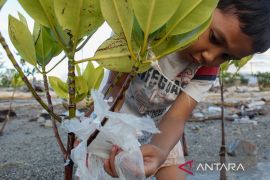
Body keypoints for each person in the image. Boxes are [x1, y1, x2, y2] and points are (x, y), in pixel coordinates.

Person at [103, 0, 270, 179]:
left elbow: (176, 117)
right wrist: (99, 131)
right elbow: (115, 88)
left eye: (227, 56)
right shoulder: (144, 32)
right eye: (214, 37)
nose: (210, 56)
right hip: (116, 114)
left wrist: (159, 151)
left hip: (161, 126)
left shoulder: (206, 68)